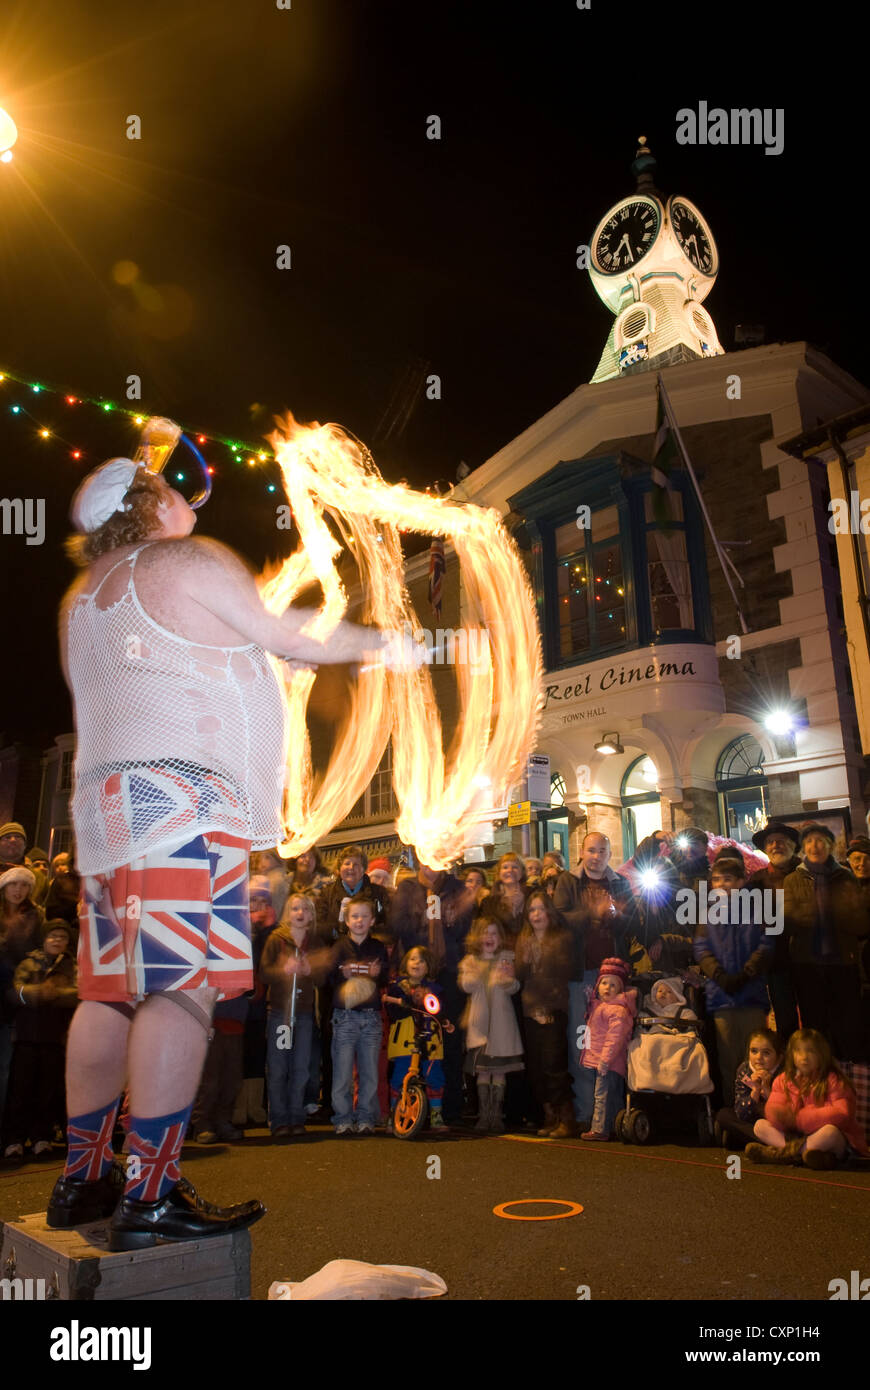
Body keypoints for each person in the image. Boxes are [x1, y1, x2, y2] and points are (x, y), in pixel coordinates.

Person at [49, 455, 407, 1247]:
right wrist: (389, 644)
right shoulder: (183, 560)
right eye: (172, 488)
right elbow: (292, 636)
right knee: (182, 991)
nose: (188, 498)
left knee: (107, 996)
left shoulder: (83, 599)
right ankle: (150, 1194)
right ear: (150, 504)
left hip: (108, 823)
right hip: (181, 807)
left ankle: (84, 1179)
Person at [552, 832, 634, 1122]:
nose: (596, 856)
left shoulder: (620, 883)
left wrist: (614, 916)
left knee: (612, 1043)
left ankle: (609, 1115)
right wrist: (592, 912)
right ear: (582, 853)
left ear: (609, 854)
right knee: (582, 1040)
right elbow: (560, 917)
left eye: (602, 850)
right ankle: (587, 1113)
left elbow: (631, 921)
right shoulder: (568, 881)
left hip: (612, 976)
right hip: (580, 974)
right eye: (591, 850)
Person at [392, 858, 475, 1123]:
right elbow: (396, 926)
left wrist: (452, 920)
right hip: (418, 973)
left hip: (447, 972)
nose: (430, 866)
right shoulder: (407, 889)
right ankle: (414, 1104)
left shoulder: (457, 888)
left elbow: (468, 927)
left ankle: (447, 1107)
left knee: (448, 1038)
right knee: (415, 1039)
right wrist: (421, 917)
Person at [783, 824, 868, 1063]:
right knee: (814, 1025)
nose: (814, 846)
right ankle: (818, 1078)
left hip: (843, 962)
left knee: (848, 1025)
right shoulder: (792, 880)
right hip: (807, 964)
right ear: (803, 847)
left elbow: (861, 924)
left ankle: (849, 1079)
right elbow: (787, 922)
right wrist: (808, 914)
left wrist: (846, 910)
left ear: (830, 846)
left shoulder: (846, 876)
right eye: (809, 841)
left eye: (820, 840)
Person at [693, 854, 773, 1104]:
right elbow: (701, 947)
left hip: (751, 994)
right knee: (728, 1058)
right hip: (722, 996)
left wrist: (747, 972)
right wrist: (718, 974)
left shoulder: (756, 908)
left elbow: (766, 943)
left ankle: (758, 1108)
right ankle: (733, 1109)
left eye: (727, 879)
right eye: (716, 880)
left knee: (756, 1058)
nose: (721, 885)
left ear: (740, 881)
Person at [2, 921, 78, 1165]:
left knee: (47, 1089)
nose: (57, 940)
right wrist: (39, 992)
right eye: (53, 936)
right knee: (20, 1089)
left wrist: (53, 994)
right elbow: (16, 992)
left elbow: (78, 993)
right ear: (44, 939)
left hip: (55, 1037)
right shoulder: (29, 963)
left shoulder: (71, 965)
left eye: (62, 937)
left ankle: (41, 1137)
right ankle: (14, 1139)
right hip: (27, 1036)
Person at [746, 1028, 869, 1168]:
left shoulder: (834, 1080)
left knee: (830, 1133)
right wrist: (782, 1116)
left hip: (831, 1137)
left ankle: (783, 1154)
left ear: (821, 1054)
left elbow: (842, 1114)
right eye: (798, 1051)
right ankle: (807, 1155)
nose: (804, 1057)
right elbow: (774, 1108)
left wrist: (801, 1119)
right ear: (791, 1054)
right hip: (797, 1136)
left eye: (810, 1051)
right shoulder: (783, 1079)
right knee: (760, 1126)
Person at [260, 893, 329, 1139]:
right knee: (279, 1067)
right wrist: (283, 970)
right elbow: (264, 973)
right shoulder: (276, 940)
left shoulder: (316, 942)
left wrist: (311, 971)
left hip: (304, 1014)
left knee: (301, 1068)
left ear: (311, 916)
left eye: (305, 909)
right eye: (295, 908)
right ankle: (279, 1120)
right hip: (280, 1013)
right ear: (287, 914)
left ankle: (296, 1117)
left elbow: (323, 978)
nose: (299, 913)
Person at [515, 892, 574, 1137]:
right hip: (530, 1009)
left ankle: (566, 1119)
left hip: (552, 1008)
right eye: (532, 910)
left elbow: (562, 976)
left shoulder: (561, 938)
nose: (536, 915)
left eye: (540, 909)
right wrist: (524, 961)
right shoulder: (524, 939)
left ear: (549, 912)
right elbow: (520, 976)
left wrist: (547, 1008)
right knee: (537, 1066)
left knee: (554, 1065)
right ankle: (549, 1115)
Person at [458, 918, 523, 1133]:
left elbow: (514, 987)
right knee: (483, 1071)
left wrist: (506, 979)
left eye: (494, 933)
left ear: (500, 938)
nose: (489, 937)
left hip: (501, 1025)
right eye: (485, 933)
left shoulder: (506, 959)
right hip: (479, 1025)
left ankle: (497, 1114)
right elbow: (466, 986)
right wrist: (476, 971)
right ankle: (484, 1115)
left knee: (500, 1071)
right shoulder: (470, 961)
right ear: (477, 937)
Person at [330, 896, 388, 1135]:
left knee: (369, 1072)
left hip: (371, 1016)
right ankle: (342, 1117)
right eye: (355, 916)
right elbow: (327, 980)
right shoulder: (339, 947)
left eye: (365, 916)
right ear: (346, 920)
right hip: (344, 1015)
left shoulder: (378, 948)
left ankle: (365, 1116)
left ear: (372, 920)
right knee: (342, 1072)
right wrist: (341, 974)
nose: (359, 920)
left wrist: (377, 973)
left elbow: (385, 979)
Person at [385, 946, 448, 1131]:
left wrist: (429, 1000)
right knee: (400, 1077)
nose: (417, 963)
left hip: (430, 1041)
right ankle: (395, 1113)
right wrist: (410, 1000)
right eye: (413, 959)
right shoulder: (397, 987)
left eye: (421, 960)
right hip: (405, 1040)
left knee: (434, 1075)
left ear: (428, 966)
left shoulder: (436, 989)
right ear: (406, 963)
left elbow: (440, 1010)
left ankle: (436, 1115)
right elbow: (393, 1012)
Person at [0, 866, 45, 1129]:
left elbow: (36, 953)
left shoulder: (35, 916)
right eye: (13, 885)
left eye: (24, 885)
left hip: (15, 999)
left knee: (6, 1070)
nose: (18, 890)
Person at [748, 822, 802, 1040]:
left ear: (792, 845)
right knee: (784, 1015)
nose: (775, 846)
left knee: (816, 1012)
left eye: (781, 841)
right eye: (771, 842)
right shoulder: (757, 880)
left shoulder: (806, 873)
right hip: (776, 959)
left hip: (808, 955)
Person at [576, 958, 637, 1141]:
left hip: (608, 1062)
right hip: (602, 1060)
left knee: (602, 1095)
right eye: (603, 983)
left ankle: (599, 1128)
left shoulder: (617, 1010)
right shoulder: (599, 1006)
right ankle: (614, 1126)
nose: (607, 987)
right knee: (610, 1095)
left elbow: (615, 1039)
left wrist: (605, 1059)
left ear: (620, 989)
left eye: (613, 984)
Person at [715, 1028, 783, 1150]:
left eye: (766, 1053)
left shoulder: (783, 1073)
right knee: (724, 1115)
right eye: (754, 1051)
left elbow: (785, 1112)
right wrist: (755, 1092)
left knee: (733, 1138)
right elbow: (741, 1112)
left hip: (777, 1123)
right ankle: (770, 1143)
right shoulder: (745, 1070)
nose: (759, 1057)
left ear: (778, 1057)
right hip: (753, 1120)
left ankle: (773, 1143)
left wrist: (767, 1090)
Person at [478, 853, 529, 944]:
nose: (510, 870)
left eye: (515, 867)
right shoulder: (489, 902)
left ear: (522, 872)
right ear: (499, 873)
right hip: (499, 951)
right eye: (505, 867)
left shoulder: (532, 895)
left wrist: (519, 909)